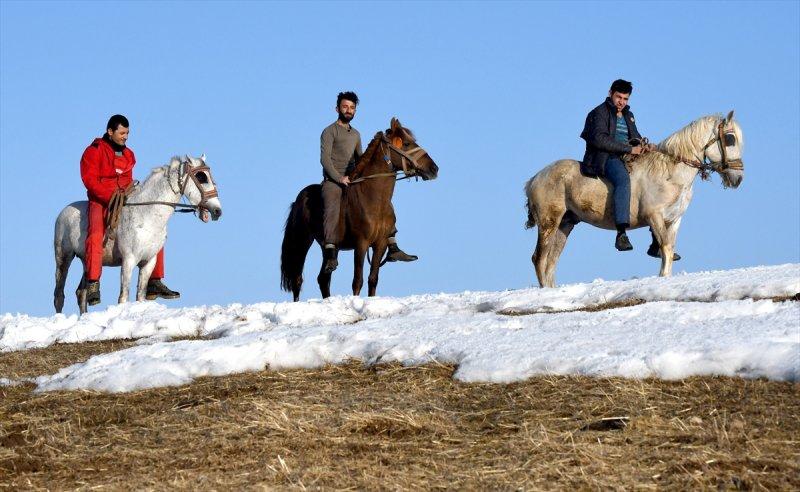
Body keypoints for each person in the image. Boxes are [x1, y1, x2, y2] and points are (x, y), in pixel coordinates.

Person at [80, 114, 180, 305]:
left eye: (127, 133)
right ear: (110, 132)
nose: (125, 137)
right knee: (95, 233)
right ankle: (93, 282)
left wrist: (133, 193)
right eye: (122, 133)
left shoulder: (129, 154)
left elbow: (127, 179)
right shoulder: (93, 151)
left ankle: (155, 281)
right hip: (100, 200)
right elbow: (89, 180)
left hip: (124, 198)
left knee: (155, 229)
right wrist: (109, 197)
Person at [580, 80, 680, 259]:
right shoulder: (598, 113)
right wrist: (629, 149)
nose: (621, 102)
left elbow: (634, 136)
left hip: (627, 156)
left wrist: (645, 146)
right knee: (623, 179)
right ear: (610, 93)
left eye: (625, 99)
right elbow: (600, 140)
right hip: (604, 157)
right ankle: (621, 234)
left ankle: (656, 243)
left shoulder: (628, 115)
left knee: (652, 181)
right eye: (618, 97)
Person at [319, 91, 418, 273]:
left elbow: (360, 159)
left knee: (383, 201)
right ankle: (331, 251)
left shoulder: (356, 134)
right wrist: (339, 178)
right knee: (332, 203)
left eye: (352, 108)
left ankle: (393, 245)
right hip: (334, 180)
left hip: (353, 178)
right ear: (337, 109)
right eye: (345, 107)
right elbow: (325, 160)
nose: (348, 110)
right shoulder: (329, 131)